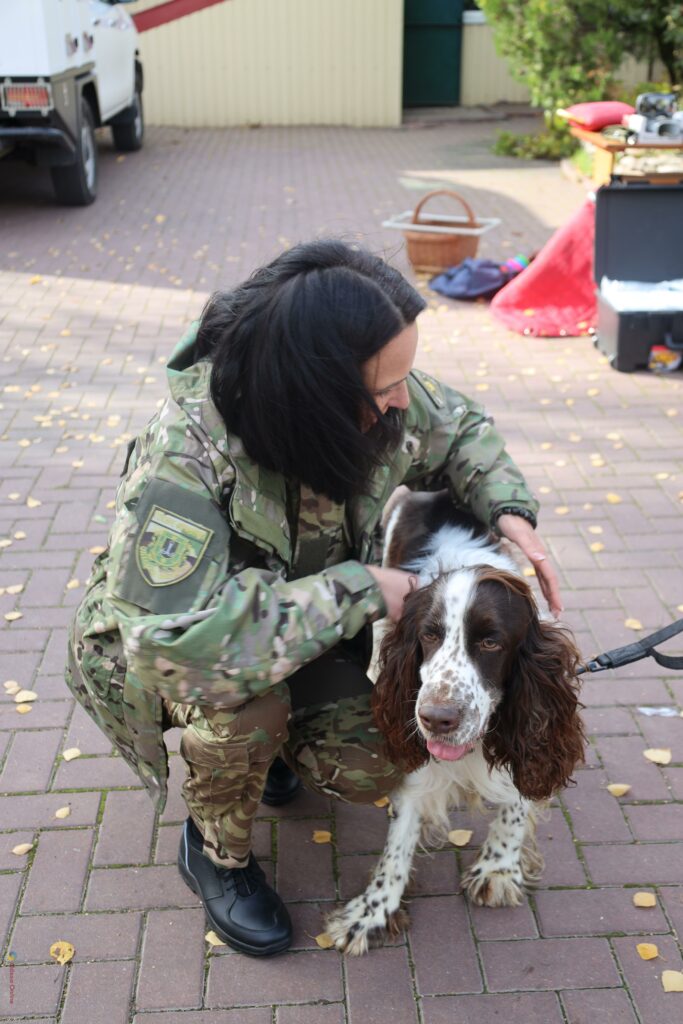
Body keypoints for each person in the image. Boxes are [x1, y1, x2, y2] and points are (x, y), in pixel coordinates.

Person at [66, 240, 561, 957]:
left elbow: (461, 429)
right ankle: (216, 854)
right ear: (312, 386)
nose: (401, 400)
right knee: (250, 712)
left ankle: (274, 758)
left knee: (389, 752)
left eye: (404, 377)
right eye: (384, 387)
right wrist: (360, 588)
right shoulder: (186, 456)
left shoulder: (377, 397)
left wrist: (511, 510)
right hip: (175, 658)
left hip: (302, 624)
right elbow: (173, 641)